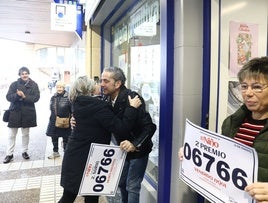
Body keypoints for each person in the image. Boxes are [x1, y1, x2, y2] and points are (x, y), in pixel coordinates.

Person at [178, 56, 268, 201]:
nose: (248, 93)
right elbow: (219, 159)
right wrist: (193, 154)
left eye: (257, 87)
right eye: (244, 86)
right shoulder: (231, 123)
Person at [58, 76, 142, 203]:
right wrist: (132, 108)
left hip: (76, 156)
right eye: (97, 83)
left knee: (70, 196)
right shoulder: (98, 107)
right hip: (89, 159)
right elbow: (121, 129)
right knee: (87, 197)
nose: (100, 85)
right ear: (90, 89)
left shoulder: (79, 103)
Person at [101, 66, 156, 203]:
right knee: (121, 183)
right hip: (121, 150)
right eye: (102, 80)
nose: (102, 84)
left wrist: (135, 144)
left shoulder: (133, 98)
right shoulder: (106, 99)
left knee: (132, 186)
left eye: (106, 81)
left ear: (118, 83)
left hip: (138, 151)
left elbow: (150, 127)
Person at [3, 67, 40, 164]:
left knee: (25, 134)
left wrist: (24, 97)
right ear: (19, 75)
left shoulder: (34, 85)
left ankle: (24, 151)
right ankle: (9, 154)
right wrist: (17, 95)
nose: (24, 75)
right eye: (22, 73)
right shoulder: (14, 84)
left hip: (28, 112)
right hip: (15, 112)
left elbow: (36, 98)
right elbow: (8, 97)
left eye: (26, 73)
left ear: (28, 74)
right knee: (11, 134)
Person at [46, 81, 71, 159]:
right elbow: (51, 107)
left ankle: (66, 152)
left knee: (66, 137)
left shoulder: (69, 97)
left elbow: (72, 109)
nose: (59, 89)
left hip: (65, 121)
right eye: (57, 87)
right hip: (54, 120)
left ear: (64, 88)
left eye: (61, 87)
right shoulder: (53, 97)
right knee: (54, 136)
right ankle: (55, 152)